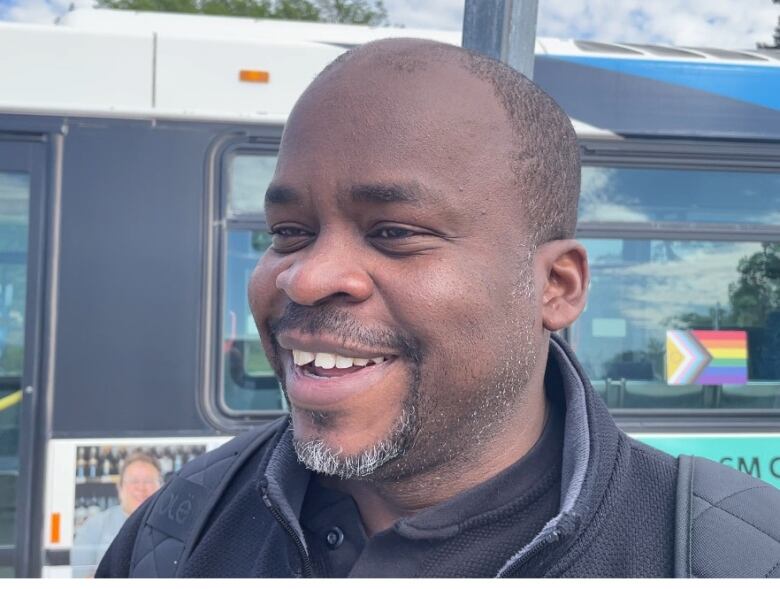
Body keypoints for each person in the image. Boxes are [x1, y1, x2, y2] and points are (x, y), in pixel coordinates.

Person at [97, 38, 780, 578]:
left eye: (393, 232)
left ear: (557, 287)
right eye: (288, 233)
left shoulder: (738, 560)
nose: (305, 278)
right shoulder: (178, 528)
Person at [72, 452, 162, 577]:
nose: (141, 487)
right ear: (120, 488)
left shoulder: (172, 529)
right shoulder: (94, 526)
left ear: (162, 488)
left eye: (148, 481)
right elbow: (80, 577)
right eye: (133, 481)